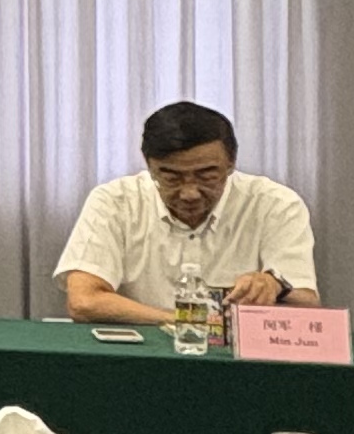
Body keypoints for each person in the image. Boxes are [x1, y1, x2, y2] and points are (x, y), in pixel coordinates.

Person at [57, 102, 319, 322]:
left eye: (207, 175)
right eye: (172, 177)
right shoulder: (115, 201)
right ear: (149, 165)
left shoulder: (275, 204)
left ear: (231, 163)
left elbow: (307, 305)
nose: (189, 193)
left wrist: (274, 285)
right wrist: (188, 322)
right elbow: (84, 301)